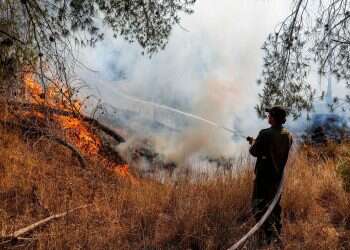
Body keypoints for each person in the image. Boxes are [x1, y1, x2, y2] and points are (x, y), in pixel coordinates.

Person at [246, 106, 293, 245]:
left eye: (270, 115)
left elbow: (254, 151)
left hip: (263, 179)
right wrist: (258, 142)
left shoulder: (265, 134)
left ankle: (273, 238)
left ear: (273, 117)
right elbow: (271, 149)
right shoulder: (288, 135)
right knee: (275, 208)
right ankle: (277, 235)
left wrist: (254, 143)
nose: (268, 117)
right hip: (277, 179)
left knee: (258, 208)